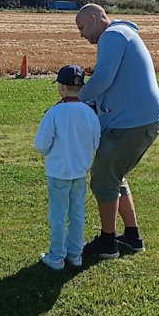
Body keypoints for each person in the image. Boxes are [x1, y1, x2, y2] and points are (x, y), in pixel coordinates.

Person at [74, 4, 159, 260]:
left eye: (82, 28)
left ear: (94, 19)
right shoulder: (124, 34)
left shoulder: (112, 36)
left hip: (131, 123)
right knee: (115, 176)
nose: (82, 35)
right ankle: (132, 237)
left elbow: (103, 79)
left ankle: (107, 242)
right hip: (142, 121)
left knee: (103, 179)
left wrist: (74, 100)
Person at [33, 64, 101, 270]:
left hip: (58, 172)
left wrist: (49, 153)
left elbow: (41, 144)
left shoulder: (54, 113)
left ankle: (56, 255)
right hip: (79, 172)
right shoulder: (89, 113)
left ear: (61, 87)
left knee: (58, 214)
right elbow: (96, 142)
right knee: (77, 212)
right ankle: (75, 253)